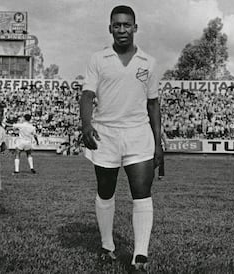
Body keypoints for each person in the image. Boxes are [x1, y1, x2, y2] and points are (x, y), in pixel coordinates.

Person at [79, 5, 163, 273]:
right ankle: (107, 246)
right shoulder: (98, 58)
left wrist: (158, 143)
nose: (122, 29)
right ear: (110, 28)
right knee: (106, 191)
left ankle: (140, 254)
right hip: (106, 134)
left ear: (135, 28)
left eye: (127, 25)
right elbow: (87, 95)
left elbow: (153, 104)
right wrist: (86, 124)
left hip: (139, 135)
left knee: (142, 193)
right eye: (117, 25)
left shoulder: (148, 62)